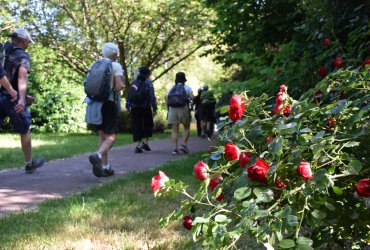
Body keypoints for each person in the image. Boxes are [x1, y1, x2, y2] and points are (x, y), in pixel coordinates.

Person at [0, 28, 45, 173]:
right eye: (28, 42)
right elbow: (22, 76)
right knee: (24, 129)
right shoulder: (22, 55)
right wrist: (21, 99)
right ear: (24, 41)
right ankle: (29, 163)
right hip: (12, 97)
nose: (28, 45)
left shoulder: (3, 49)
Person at [87, 42, 125, 177]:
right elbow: (119, 87)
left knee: (102, 137)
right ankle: (97, 155)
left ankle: (105, 167)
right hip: (109, 103)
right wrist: (123, 84)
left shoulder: (95, 64)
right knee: (111, 137)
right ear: (114, 54)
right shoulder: (116, 65)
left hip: (95, 104)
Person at [128, 66, 157, 153]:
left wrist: (128, 105)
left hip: (134, 107)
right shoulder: (148, 82)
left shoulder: (134, 81)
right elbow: (151, 95)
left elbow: (130, 94)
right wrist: (154, 106)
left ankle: (138, 146)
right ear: (148, 74)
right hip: (145, 106)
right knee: (148, 124)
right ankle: (145, 143)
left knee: (137, 125)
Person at [167, 72, 194, 155]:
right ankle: (183, 145)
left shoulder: (172, 88)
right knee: (186, 128)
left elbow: (168, 99)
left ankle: (174, 149)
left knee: (175, 130)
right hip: (183, 108)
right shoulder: (187, 88)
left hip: (173, 109)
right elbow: (192, 97)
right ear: (184, 79)